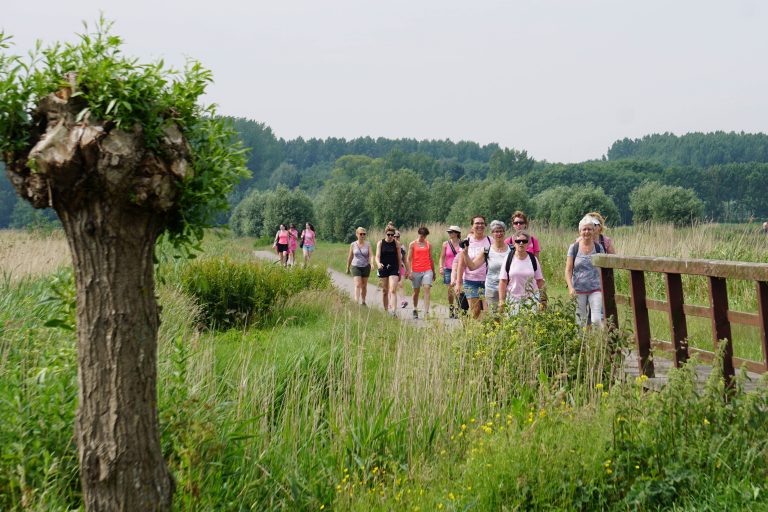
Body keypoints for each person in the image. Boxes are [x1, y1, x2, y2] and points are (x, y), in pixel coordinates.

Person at [460, 220, 510, 313]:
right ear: (492, 233)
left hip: (509, 289)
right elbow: (472, 266)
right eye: (496, 231)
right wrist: (465, 254)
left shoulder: (512, 250)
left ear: (504, 232)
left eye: (501, 231)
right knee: (494, 319)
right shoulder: (487, 250)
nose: (498, 233)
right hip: (492, 289)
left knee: (509, 318)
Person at [565, 215, 605, 327]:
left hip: (595, 289)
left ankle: (598, 343)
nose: (586, 232)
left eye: (589, 229)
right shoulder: (573, 248)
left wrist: (604, 286)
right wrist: (571, 287)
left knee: (596, 319)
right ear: (580, 231)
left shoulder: (599, 248)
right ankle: (582, 343)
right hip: (578, 290)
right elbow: (568, 270)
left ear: (593, 231)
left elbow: (603, 270)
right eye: (584, 229)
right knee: (580, 323)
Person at [498, 230, 545, 315]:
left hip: (532, 299)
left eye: (524, 241)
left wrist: (543, 299)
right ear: (514, 243)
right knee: (514, 326)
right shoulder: (508, 259)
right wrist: (501, 300)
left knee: (530, 325)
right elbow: (503, 281)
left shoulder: (533, 259)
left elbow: (540, 280)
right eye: (518, 241)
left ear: (528, 244)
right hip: (513, 299)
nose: (521, 243)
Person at [455, 215, 492, 319]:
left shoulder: (490, 241)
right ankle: (475, 332)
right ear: (472, 226)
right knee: (475, 311)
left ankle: (485, 332)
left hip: (487, 281)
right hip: (471, 281)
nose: (479, 225)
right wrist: (458, 283)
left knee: (488, 311)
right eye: (477, 223)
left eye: (482, 223)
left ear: (485, 225)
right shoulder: (466, 242)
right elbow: (461, 264)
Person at [375, 226, 404, 315]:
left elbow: (399, 259)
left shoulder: (397, 244)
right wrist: (378, 264)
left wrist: (399, 271)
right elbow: (377, 256)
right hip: (383, 268)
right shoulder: (380, 243)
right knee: (385, 291)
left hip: (393, 268)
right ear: (385, 234)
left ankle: (394, 311)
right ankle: (386, 310)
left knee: (392, 290)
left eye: (392, 235)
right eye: (389, 235)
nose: (391, 236)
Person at [408, 226, 435, 319]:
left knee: (427, 288)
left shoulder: (428, 245)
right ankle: (415, 308)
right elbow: (409, 259)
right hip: (415, 270)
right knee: (416, 292)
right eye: (421, 235)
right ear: (418, 233)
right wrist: (409, 272)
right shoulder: (412, 244)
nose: (422, 237)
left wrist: (433, 272)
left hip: (427, 270)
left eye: (424, 236)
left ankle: (426, 312)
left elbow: (431, 258)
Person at [438, 225, 462, 318]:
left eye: (451, 232)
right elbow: (442, 257)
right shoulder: (445, 244)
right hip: (448, 269)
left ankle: (458, 308)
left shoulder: (462, 243)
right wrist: (441, 267)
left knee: (458, 290)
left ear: (456, 233)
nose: (449, 234)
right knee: (450, 291)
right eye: (449, 232)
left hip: (459, 269)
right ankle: (451, 307)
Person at [345, 227, 371, 306]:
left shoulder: (368, 244)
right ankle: (356, 302)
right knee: (357, 284)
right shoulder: (353, 244)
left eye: (364, 234)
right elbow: (350, 257)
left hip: (366, 266)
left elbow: (371, 255)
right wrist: (347, 267)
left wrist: (372, 263)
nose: (362, 235)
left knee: (364, 286)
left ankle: (363, 301)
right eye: (361, 234)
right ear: (357, 234)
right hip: (355, 266)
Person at [394, 230, 408, 309]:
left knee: (401, 284)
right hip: (391, 268)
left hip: (401, 267)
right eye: (394, 236)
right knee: (392, 286)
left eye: (397, 236)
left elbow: (405, 259)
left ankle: (403, 301)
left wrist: (407, 270)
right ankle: (390, 302)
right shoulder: (389, 245)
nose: (396, 238)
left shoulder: (402, 247)